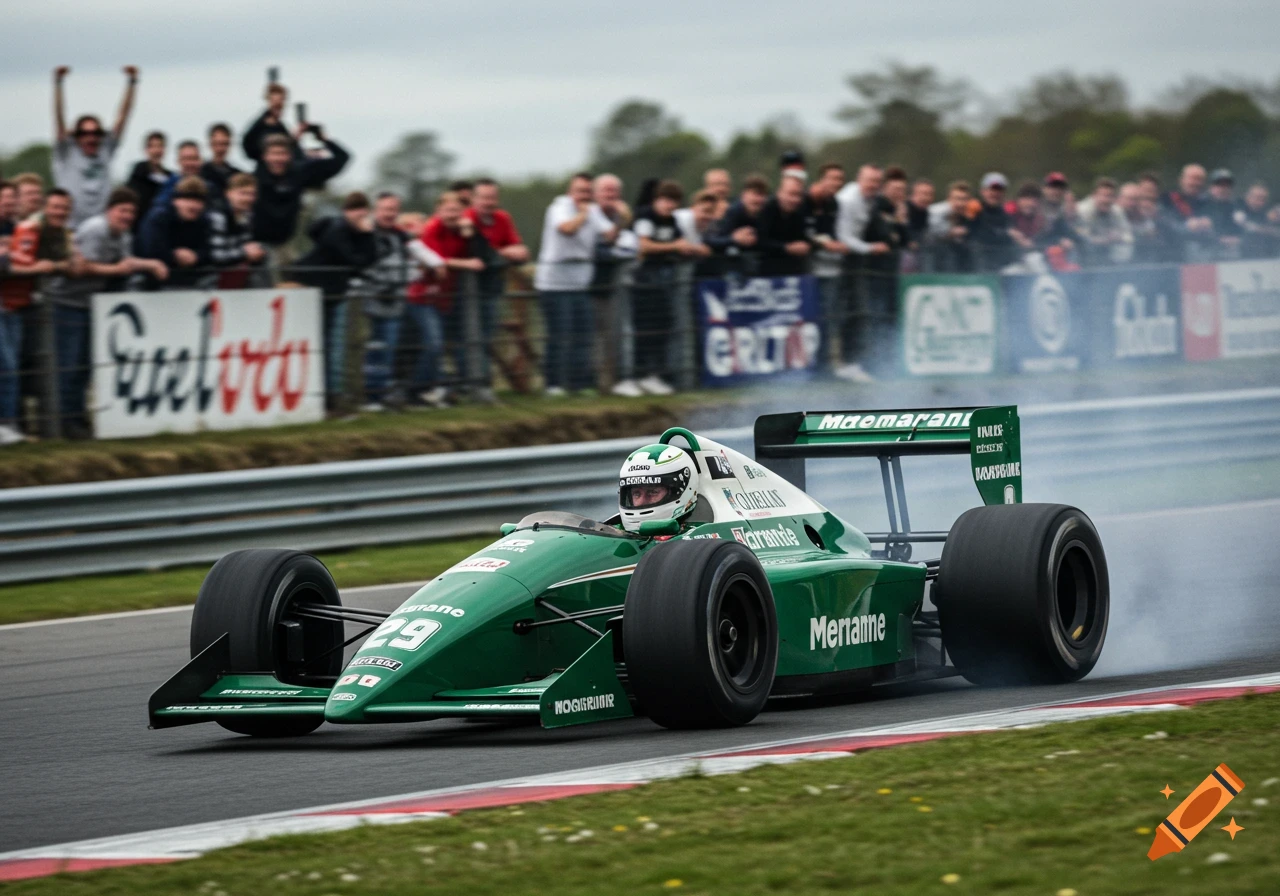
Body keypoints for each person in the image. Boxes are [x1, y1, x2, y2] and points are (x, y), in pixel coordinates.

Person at [57, 188, 167, 437]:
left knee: (84, 365)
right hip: (67, 302)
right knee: (69, 365)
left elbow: (126, 262)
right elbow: (83, 267)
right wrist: (116, 270)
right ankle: (64, 420)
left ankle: (77, 417)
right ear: (109, 210)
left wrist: (151, 264)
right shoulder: (96, 229)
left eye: (131, 212)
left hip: (90, 304)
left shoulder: (124, 234)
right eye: (122, 210)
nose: (127, 216)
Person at [2, 189, 80, 442]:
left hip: (17, 305)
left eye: (64, 208)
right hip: (8, 303)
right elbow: (17, 264)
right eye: (55, 207)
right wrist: (47, 267)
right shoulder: (30, 228)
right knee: (9, 366)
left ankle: (12, 425)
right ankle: (9, 424)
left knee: (16, 367)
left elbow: (73, 265)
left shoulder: (57, 232)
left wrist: (55, 265)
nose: (60, 212)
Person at [356, 192, 444, 410]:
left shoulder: (399, 236)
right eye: (386, 209)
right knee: (373, 349)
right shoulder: (366, 233)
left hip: (393, 301)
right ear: (376, 211)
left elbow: (419, 251)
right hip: (369, 299)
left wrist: (436, 264)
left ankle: (381, 395)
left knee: (388, 349)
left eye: (393, 210)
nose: (390, 214)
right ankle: (370, 396)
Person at [534, 173, 617, 396]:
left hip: (580, 285)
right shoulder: (558, 208)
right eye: (580, 191)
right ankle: (554, 384)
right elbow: (567, 229)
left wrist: (622, 218)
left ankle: (580, 384)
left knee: (583, 336)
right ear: (570, 192)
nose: (584, 196)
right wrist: (584, 214)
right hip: (554, 285)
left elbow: (609, 236)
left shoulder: (593, 211)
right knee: (560, 335)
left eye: (588, 192)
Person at [293, 192, 378, 409]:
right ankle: (323, 394)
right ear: (347, 212)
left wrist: (366, 235)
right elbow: (355, 260)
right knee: (321, 344)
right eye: (357, 214)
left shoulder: (352, 232)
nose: (361, 219)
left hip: (333, 292)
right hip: (314, 290)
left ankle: (330, 394)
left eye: (364, 214)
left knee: (332, 345)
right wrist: (366, 235)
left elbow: (369, 259)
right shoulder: (338, 230)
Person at [464, 178, 529, 400]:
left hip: (492, 288)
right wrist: (504, 253)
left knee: (486, 336)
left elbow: (520, 251)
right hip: (467, 291)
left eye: (492, 197)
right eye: (484, 197)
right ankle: (473, 384)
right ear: (474, 199)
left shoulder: (503, 218)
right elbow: (477, 253)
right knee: (469, 337)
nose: (488, 202)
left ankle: (482, 384)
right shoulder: (467, 220)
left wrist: (503, 253)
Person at [51, 65, 138, 227]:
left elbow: (124, 116)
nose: (91, 137)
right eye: (84, 133)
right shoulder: (67, 152)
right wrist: (58, 83)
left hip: (100, 227)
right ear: (76, 136)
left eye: (96, 133)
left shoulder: (105, 150)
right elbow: (59, 117)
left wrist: (132, 82)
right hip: (70, 227)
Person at [421, 191, 487, 401]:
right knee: (434, 343)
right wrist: (466, 264)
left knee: (455, 341)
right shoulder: (432, 228)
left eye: (457, 210)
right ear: (438, 211)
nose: (452, 215)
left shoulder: (462, 229)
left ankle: (451, 385)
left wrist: (469, 233)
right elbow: (436, 259)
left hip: (448, 295)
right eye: (448, 210)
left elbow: (481, 255)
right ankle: (420, 387)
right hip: (425, 296)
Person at [631, 180, 694, 396]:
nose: (670, 206)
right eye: (666, 201)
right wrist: (674, 246)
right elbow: (644, 245)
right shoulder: (645, 216)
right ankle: (639, 374)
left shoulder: (672, 220)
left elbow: (681, 241)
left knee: (663, 327)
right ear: (657, 200)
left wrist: (688, 249)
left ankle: (655, 374)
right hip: (644, 280)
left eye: (674, 202)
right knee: (644, 329)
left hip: (663, 281)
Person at [833, 164, 889, 382]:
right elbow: (843, 236)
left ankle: (852, 362)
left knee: (857, 313)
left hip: (853, 263)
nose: (873, 185)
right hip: (838, 263)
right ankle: (844, 363)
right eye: (869, 180)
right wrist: (870, 248)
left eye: (877, 181)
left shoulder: (872, 200)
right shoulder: (849, 200)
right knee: (847, 314)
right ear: (859, 179)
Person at [252, 131, 350, 253]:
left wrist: (323, 139)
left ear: (290, 155)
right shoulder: (255, 178)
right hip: (256, 243)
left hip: (287, 242)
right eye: (274, 154)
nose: (278, 159)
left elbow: (342, 158)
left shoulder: (300, 172)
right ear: (264, 156)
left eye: (282, 154)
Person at [137, 176, 213, 289]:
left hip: (190, 279)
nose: (194, 205)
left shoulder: (203, 220)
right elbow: (149, 250)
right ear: (176, 201)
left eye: (198, 201)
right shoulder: (159, 217)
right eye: (188, 200)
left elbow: (209, 251)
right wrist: (174, 255)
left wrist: (196, 256)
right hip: (154, 280)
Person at [616, 442, 699, 533]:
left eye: (652, 492)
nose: (640, 502)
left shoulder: (701, 533)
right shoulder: (614, 531)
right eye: (636, 494)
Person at [207, 173, 267, 286]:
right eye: (243, 193)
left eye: (252, 194)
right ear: (228, 193)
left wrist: (256, 252)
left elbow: (247, 244)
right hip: (210, 276)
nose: (248, 198)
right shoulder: (218, 216)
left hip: (236, 272)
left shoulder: (247, 216)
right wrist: (245, 253)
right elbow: (216, 256)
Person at [708, 174, 769, 276]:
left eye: (762, 195)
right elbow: (712, 240)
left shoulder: (766, 213)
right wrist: (734, 239)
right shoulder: (733, 212)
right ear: (744, 195)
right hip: (731, 267)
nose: (758, 199)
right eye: (754, 194)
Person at [757, 172, 811, 277]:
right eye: (791, 194)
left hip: (794, 270)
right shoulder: (767, 210)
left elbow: (804, 237)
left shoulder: (801, 211)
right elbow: (761, 241)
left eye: (798, 195)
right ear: (780, 193)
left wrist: (806, 245)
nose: (795, 200)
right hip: (769, 271)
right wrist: (786, 248)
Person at [1074, 177, 1133, 267]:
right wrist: (1103, 240)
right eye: (1104, 196)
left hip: (1110, 256)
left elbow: (1128, 236)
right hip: (1084, 257)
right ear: (1094, 196)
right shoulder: (1083, 211)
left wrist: (1119, 237)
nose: (1107, 200)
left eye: (1110, 196)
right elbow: (1081, 238)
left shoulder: (1117, 211)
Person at [1164, 163, 1213, 259]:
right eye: (1192, 178)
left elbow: (1221, 228)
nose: (1196, 183)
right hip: (1173, 256)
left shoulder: (1209, 202)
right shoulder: (1167, 200)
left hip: (1205, 256)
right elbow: (1164, 224)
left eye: (1199, 179)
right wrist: (1186, 227)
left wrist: (1210, 226)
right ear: (1181, 180)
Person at [124, 131, 170, 231]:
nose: (156, 150)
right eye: (152, 146)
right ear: (146, 150)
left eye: (160, 146)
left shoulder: (170, 178)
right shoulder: (137, 174)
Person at [928, 180, 975, 273]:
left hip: (960, 268)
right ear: (949, 199)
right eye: (957, 198)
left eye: (964, 199)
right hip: (934, 264)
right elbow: (931, 232)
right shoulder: (936, 212)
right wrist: (950, 232)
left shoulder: (970, 217)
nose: (960, 203)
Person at [243, 82, 295, 163]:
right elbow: (248, 145)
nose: (279, 106)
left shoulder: (280, 126)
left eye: (281, 102)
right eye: (276, 104)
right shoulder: (259, 126)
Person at [1235, 183, 1280, 259]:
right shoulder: (1238, 209)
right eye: (1257, 198)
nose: (1260, 201)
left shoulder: (1270, 212)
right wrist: (1266, 223)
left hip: (1269, 256)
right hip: (1241, 256)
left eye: (1263, 199)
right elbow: (1246, 226)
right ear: (1248, 197)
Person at [1204, 169, 1242, 259]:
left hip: (1234, 254)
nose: (1224, 189)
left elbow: (1244, 229)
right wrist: (1219, 239)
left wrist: (1239, 239)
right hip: (1207, 254)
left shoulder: (1237, 206)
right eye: (1219, 185)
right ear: (1211, 187)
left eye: (1227, 185)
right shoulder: (1201, 204)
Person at [200, 123, 242, 202]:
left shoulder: (237, 175)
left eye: (224, 144)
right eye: (216, 144)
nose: (220, 149)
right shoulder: (200, 173)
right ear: (210, 144)